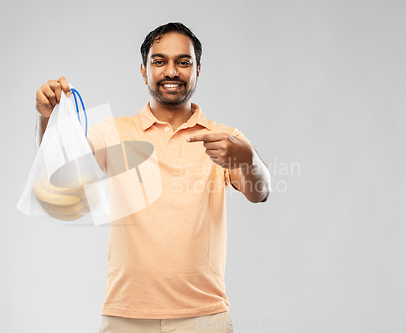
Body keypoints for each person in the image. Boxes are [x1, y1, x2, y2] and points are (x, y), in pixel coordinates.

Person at [34, 22, 271, 333]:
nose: (171, 71)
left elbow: (260, 192)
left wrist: (248, 158)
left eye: (183, 62)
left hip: (204, 319)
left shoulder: (223, 137)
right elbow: (61, 173)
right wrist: (48, 117)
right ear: (144, 71)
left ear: (198, 70)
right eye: (159, 61)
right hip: (126, 317)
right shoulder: (115, 132)